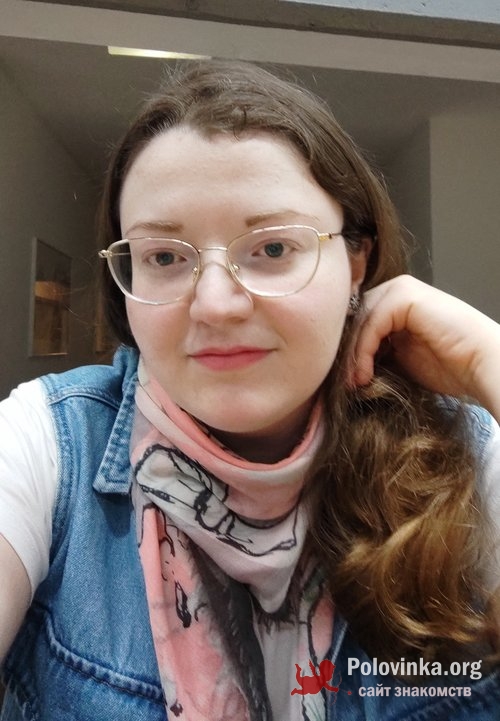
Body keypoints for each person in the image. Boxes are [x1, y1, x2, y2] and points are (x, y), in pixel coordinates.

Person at [0, 59, 499, 721]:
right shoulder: (47, 443)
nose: (215, 304)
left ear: (355, 262)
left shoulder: (467, 456)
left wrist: (491, 361)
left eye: (272, 249)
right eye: (164, 256)